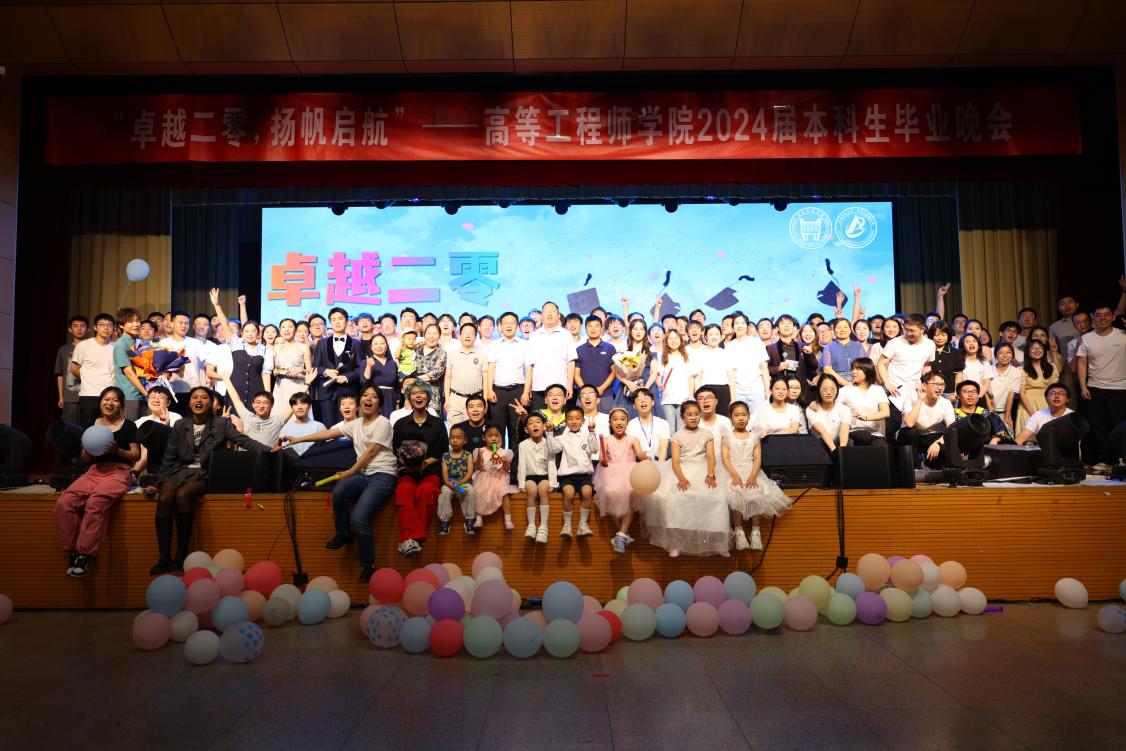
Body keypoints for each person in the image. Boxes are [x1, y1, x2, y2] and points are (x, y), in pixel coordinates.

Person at [145, 386, 270, 574]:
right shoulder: (180, 425)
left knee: (182, 495)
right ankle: (164, 557)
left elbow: (244, 441)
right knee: (164, 498)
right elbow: (169, 456)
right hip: (179, 471)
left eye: (204, 397)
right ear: (189, 403)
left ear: (211, 403)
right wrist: (159, 482)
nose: (199, 400)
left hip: (206, 473)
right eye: (195, 397)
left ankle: (181, 555)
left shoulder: (221, 424)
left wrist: (270, 450)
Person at [278, 385, 396, 582]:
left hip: (383, 475)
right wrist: (298, 439)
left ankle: (368, 565)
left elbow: (371, 451)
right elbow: (328, 434)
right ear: (360, 401)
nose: (368, 399)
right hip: (364, 475)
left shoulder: (383, 423)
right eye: (365, 395)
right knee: (339, 491)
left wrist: (350, 472)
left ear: (380, 403)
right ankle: (343, 534)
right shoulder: (355, 424)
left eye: (374, 397)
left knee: (358, 518)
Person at [53, 386, 140, 578]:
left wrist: (117, 451)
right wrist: (86, 451)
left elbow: (136, 455)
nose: (110, 403)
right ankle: (72, 551)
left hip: (119, 472)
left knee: (95, 502)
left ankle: (85, 555)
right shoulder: (91, 426)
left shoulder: (128, 426)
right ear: (100, 403)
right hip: (94, 471)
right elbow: (86, 458)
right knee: (64, 503)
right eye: (106, 399)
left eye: (115, 400)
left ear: (121, 405)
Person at [643, 401, 728, 558]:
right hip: (682, 469)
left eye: (696, 414)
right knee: (672, 499)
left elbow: (710, 456)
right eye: (689, 415)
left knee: (716, 497)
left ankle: (718, 543)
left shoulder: (707, 434)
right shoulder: (677, 436)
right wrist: (681, 478)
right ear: (683, 417)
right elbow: (675, 461)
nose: (693, 417)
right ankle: (675, 542)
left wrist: (710, 474)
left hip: (703, 468)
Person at [722, 401, 790, 551]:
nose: (741, 418)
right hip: (733, 471)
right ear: (731, 417)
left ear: (749, 416)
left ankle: (755, 532)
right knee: (736, 495)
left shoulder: (754, 436)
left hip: (751, 470)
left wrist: (753, 476)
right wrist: (734, 475)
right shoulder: (727, 436)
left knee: (756, 494)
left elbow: (757, 457)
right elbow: (725, 458)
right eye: (737, 415)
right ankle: (739, 532)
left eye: (744, 415)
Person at [391, 381, 448, 557]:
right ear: (409, 397)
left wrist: (424, 463)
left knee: (427, 490)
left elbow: (442, 452)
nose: (418, 396)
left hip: (430, 471)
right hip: (407, 472)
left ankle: (409, 539)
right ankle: (415, 538)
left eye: (422, 392)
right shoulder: (400, 424)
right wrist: (408, 463)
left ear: (428, 397)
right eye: (414, 393)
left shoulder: (438, 424)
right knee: (403, 491)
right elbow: (395, 450)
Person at [1076, 305, 1126, 470]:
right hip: (1095, 387)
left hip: (1120, 387)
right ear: (1093, 318)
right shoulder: (1086, 338)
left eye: (1106, 314)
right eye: (1098, 315)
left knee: (1118, 426)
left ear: (1113, 317)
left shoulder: (1122, 335)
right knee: (1099, 427)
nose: (1103, 318)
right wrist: (1083, 387)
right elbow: (1082, 363)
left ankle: (1121, 459)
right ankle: (1105, 461)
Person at [594, 407, 647, 554]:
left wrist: (646, 457)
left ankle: (621, 535)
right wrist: (603, 460)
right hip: (610, 473)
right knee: (611, 497)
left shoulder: (632, 439)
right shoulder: (606, 439)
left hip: (630, 474)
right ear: (610, 423)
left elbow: (639, 453)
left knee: (629, 498)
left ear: (627, 422)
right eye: (615, 419)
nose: (619, 422)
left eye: (622, 419)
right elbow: (601, 458)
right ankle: (623, 534)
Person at [877, 313, 936, 435]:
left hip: (914, 391)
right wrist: (887, 384)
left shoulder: (930, 344)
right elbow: (881, 363)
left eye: (912, 331)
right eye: (906, 330)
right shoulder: (894, 343)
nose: (908, 333)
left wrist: (925, 383)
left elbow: (927, 365)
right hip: (895, 391)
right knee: (891, 428)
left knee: (911, 428)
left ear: (922, 329)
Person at [485, 311, 528, 461]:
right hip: (498, 392)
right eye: (505, 323)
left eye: (512, 323)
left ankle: (515, 468)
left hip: (518, 391)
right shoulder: (494, 345)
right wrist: (489, 389)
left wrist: (526, 392)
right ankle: (497, 466)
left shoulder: (524, 345)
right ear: (500, 326)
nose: (509, 326)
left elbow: (529, 369)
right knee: (497, 432)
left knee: (516, 432)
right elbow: (491, 368)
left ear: (517, 326)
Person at [311, 307, 362, 426]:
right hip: (326, 393)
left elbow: (360, 368)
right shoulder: (322, 343)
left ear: (347, 321)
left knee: (348, 427)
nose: (337, 322)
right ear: (330, 322)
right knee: (327, 427)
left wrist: (347, 377)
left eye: (340, 319)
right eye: (333, 319)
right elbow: (316, 366)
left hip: (348, 392)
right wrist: (326, 371)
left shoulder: (356, 344)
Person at [555, 406, 599, 538]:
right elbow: (552, 449)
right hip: (567, 477)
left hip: (584, 476)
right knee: (568, 493)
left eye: (577, 418)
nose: (574, 421)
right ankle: (567, 525)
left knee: (588, 492)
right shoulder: (562, 438)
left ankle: (583, 525)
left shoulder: (587, 436)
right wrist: (550, 433)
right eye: (570, 419)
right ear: (565, 422)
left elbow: (594, 449)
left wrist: (592, 433)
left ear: (583, 421)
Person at [524, 301, 577, 410]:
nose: (549, 314)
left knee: (560, 420)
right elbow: (529, 365)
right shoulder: (534, 336)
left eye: (552, 311)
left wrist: (570, 385)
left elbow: (571, 362)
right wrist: (526, 390)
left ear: (558, 315)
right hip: (539, 388)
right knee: (539, 419)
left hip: (560, 389)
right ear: (541, 316)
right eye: (546, 312)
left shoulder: (566, 335)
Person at [897, 371, 956, 468]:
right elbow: (910, 423)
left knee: (947, 443)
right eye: (936, 384)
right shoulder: (911, 398)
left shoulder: (945, 403)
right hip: (911, 437)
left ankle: (927, 464)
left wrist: (938, 443)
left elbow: (951, 429)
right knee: (910, 432)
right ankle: (913, 468)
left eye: (942, 385)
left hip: (931, 436)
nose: (939, 388)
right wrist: (920, 399)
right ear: (924, 385)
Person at [517, 412, 558, 543]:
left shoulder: (548, 443)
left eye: (538, 422)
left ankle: (543, 527)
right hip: (530, 477)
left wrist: (553, 483)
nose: (535, 425)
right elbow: (521, 465)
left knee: (542, 489)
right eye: (531, 423)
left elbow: (551, 463)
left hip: (544, 476)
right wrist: (521, 484)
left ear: (544, 426)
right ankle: (531, 525)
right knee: (532, 490)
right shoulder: (523, 445)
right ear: (526, 429)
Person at [221, 373, 292, 448]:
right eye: (258, 402)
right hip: (248, 454)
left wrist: (303, 381)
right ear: (253, 405)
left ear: (271, 406)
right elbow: (236, 399)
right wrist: (226, 379)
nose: (261, 406)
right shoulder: (247, 417)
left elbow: (293, 405)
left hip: (268, 454)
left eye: (265, 403)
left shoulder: (277, 421)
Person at [70, 313, 117, 426]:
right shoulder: (84, 345)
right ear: (95, 327)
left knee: (110, 428)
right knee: (88, 429)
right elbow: (74, 368)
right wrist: (88, 378)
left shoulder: (116, 347)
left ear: (114, 328)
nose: (106, 328)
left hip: (110, 395)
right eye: (102, 324)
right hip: (89, 394)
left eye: (109, 325)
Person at [471, 424, 519, 531]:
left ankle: (508, 519)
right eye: (490, 435)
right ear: (484, 437)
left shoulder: (503, 452)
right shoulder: (480, 451)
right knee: (478, 491)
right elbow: (479, 468)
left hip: (499, 478)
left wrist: (505, 462)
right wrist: (479, 459)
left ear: (501, 437)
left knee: (504, 494)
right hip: (484, 477)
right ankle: (478, 517)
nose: (493, 438)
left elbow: (506, 470)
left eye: (497, 435)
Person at [611, 318, 658, 418]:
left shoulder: (651, 350)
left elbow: (654, 372)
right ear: (630, 331)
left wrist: (645, 389)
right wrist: (627, 383)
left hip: (647, 387)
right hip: (628, 388)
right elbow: (617, 373)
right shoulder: (624, 350)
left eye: (641, 329)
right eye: (635, 329)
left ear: (645, 332)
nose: (638, 332)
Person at [838, 358, 890, 446]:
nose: (853, 372)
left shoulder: (878, 390)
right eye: (853, 369)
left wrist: (865, 418)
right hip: (854, 431)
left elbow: (886, 412)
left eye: (858, 369)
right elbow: (833, 407)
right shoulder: (845, 390)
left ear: (867, 370)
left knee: (882, 447)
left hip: (876, 433)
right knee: (863, 436)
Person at [444, 323, 487, 426]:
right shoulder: (451, 354)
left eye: (471, 333)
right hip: (455, 399)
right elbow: (448, 378)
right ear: (459, 335)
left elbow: (485, 379)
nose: (468, 336)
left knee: (473, 431)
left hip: (475, 399)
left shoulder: (482, 355)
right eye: (465, 333)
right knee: (455, 432)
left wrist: (485, 400)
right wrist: (447, 399)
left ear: (475, 337)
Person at [727, 313, 770, 414]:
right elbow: (730, 374)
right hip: (738, 392)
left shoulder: (757, 343)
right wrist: (733, 398)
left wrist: (767, 390)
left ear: (747, 326)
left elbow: (764, 368)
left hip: (757, 390)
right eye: (737, 323)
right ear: (733, 327)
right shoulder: (729, 347)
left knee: (758, 420)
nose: (740, 326)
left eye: (743, 323)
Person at [437, 424, 476, 536]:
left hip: (464, 482)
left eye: (458, 438)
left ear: (465, 440)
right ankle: (445, 522)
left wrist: (460, 483)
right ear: (449, 440)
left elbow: (470, 472)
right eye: (452, 438)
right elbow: (445, 475)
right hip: (449, 484)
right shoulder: (445, 456)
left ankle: (469, 520)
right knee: (444, 493)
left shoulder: (468, 455)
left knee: (470, 491)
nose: (455, 440)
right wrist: (452, 485)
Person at [656, 328, 697, 432]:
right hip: (667, 399)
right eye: (670, 338)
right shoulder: (662, 356)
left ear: (680, 340)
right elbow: (658, 376)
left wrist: (691, 396)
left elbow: (691, 378)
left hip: (684, 398)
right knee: (669, 431)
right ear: (666, 341)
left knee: (681, 431)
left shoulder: (687, 356)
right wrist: (659, 385)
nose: (673, 341)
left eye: (676, 338)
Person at [271, 318, 313, 418]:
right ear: (280, 330)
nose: (286, 329)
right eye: (283, 327)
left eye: (290, 327)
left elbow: (310, 370)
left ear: (295, 330)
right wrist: (275, 371)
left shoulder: (303, 347)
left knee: (298, 417)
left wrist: (300, 370)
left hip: (298, 387)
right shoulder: (276, 348)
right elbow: (275, 368)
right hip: (280, 388)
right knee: (279, 418)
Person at [574, 315, 617, 412]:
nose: (593, 329)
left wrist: (602, 388)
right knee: (582, 420)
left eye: (596, 326)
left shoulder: (610, 348)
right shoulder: (579, 350)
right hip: (584, 396)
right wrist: (586, 391)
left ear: (601, 328)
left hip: (605, 394)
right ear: (585, 328)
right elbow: (576, 374)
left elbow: (614, 372)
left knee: (606, 420)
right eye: (590, 326)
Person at [133, 386, 180, 475]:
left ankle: (135, 472)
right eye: (152, 397)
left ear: (168, 402)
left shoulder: (175, 417)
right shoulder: (140, 421)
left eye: (161, 397)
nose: (156, 400)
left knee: (151, 438)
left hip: (164, 462)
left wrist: (165, 425)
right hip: (142, 463)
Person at [113, 307, 148, 420]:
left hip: (142, 393)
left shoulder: (139, 341)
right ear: (121, 325)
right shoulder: (121, 345)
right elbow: (129, 373)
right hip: (130, 395)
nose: (136, 324)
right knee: (131, 426)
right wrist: (146, 393)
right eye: (131, 321)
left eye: (137, 321)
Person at [695, 323, 735, 416]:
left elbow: (731, 379)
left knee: (724, 420)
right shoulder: (700, 354)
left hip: (723, 391)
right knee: (706, 419)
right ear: (705, 337)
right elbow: (697, 378)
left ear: (721, 336)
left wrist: (733, 399)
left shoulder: (726, 353)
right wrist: (698, 397)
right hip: (705, 391)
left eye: (717, 334)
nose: (714, 337)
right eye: (711, 334)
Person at [1016, 340, 1054, 435]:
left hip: (1047, 403)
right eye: (1033, 348)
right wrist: (1032, 414)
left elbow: (1055, 388)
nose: (1037, 350)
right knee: (1029, 435)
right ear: (1027, 351)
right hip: (1028, 404)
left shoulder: (1052, 367)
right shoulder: (1022, 370)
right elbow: (1022, 393)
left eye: (1040, 347)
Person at [954, 380, 1010, 445]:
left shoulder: (988, 415)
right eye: (966, 392)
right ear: (958, 396)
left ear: (978, 395)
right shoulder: (952, 414)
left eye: (974, 392)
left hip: (986, 449)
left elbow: (1003, 432)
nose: (970, 394)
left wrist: (996, 438)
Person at [805, 374, 852, 453]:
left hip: (838, 442)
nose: (829, 392)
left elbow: (844, 431)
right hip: (821, 444)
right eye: (825, 389)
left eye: (833, 388)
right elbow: (822, 432)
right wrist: (834, 451)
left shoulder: (845, 409)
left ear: (837, 390)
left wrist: (842, 452)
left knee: (849, 442)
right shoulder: (812, 409)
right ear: (818, 390)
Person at [55, 315, 88, 424]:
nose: (79, 329)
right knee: (71, 428)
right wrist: (61, 396)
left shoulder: (92, 348)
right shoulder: (64, 349)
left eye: (82, 326)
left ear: (88, 329)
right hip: (70, 397)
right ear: (70, 329)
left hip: (89, 394)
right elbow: (60, 374)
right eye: (75, 326)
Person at [820, 318, 867, 387]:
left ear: (850, 330)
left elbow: (865, 366)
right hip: (836, 383)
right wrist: (847, 384)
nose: (842, 330)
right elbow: (827, 369)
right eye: (839, 328)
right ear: (834, 331)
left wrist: (857, 382)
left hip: (858, 383)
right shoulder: (829, 347)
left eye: (845, 327)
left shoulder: (858, 345)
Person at [626, 388, 670, 461]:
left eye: (646, 398)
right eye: (638, 399)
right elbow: (635, 451)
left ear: (653, 402)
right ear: (634, 406)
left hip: (659, 462)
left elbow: (663, 449)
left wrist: (660, 465)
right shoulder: (630, 425)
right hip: (639, 462)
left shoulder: (663, 423)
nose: (643, 401)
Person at [361, 333, 398, 419]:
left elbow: (396, 385)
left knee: (389, 422)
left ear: (386, 346)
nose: (379, 346)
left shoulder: (392, 363)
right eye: (375, 344)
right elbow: (364, 380)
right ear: (371, 347)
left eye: (382, 343)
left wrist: (397, 401)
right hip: (373, 397)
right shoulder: (365, 362)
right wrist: (369, 366)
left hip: (390, 398)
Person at [413, 323, 447, 414]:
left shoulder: (441, 353)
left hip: (432, 393)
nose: (431, 336)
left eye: (435, 333)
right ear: (424, 335)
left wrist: (413, 379)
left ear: (439, 336)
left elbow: (436, 373)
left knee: (432, 418)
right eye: (429, 333)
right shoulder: (416, 350)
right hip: (414, 391)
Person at [989, 343, 1022, 432]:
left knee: (1006, 436)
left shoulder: (1016, 372)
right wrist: (990, 411)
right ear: (996, 355)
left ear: (1013, 355)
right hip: (988, 410)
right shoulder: (988, 369)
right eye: (1001, 353)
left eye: (1008, 352)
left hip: (1005, 411)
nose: (1005, 355)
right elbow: (985, 393)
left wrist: (1007, 416)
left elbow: (1011, 394)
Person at [926, 320, 964, 397]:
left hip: (949, 393)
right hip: (929, 392)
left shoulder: (955, 352)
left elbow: (958, 374)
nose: (940, 338)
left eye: (943, 335)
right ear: (931, 335)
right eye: (936, 335)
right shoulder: (926, 351)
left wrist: (956, 393)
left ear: (948, 335)